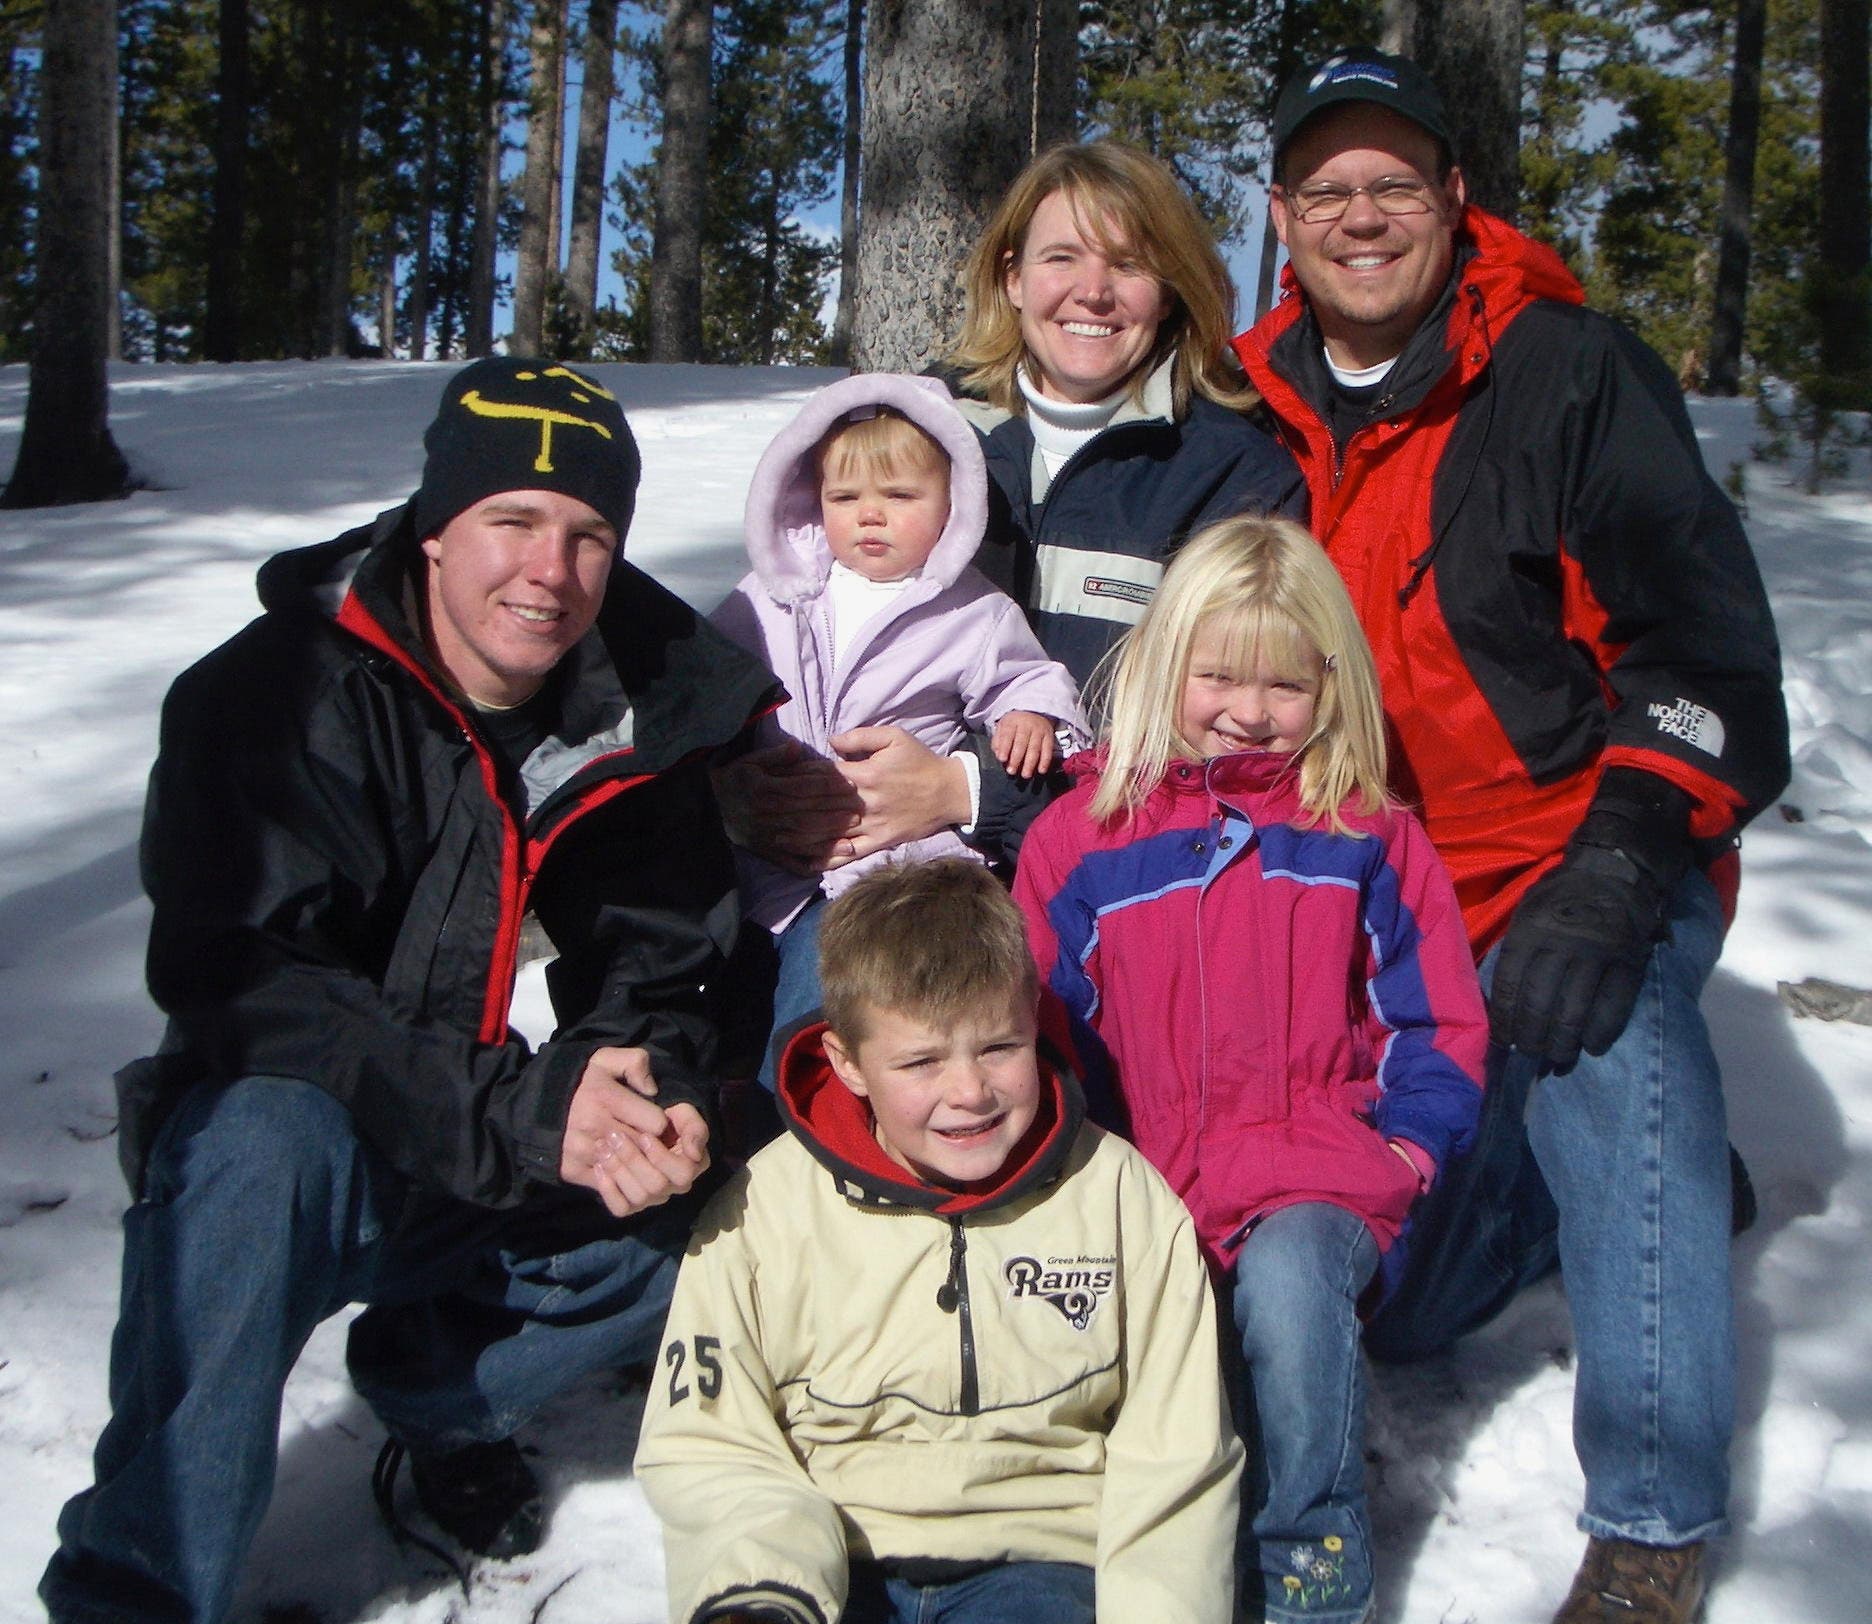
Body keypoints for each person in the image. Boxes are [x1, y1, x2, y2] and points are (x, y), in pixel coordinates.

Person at [41, 357, 781, 1624]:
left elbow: (658, 963)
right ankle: (136, 1589)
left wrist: (636, 1085)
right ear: (436, 528)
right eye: (512, 520)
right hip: (293, 1156)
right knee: (261, 1139)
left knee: (730, 1178)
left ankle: (435, 1388)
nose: (549, 571)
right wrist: (523, 1113)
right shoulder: (273, 696)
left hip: (473, 1141)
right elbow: (246, 987)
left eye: (588, 533)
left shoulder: (632, 712)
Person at [1230, 49, 1791, 1624]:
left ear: (1454, 198)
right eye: (1327, 189)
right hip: (1369, 897)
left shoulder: (1567, 372)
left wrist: (1617, 874)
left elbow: (1714, 665)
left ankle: (1652, 1525)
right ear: (1283, 216)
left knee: (1606, 1041)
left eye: (1394, 184)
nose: (1361, 216)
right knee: (1397, 1313)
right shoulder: (1248, 401)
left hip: (1569, 851)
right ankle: (1607, 1196)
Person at [1013, 516, 1487, 1624]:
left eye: (1282, 683)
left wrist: (1405, 1152)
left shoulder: (1365, 833)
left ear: (1331, 681)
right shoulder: (1082, 839)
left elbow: (1436, 1023)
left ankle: (1313, 1559)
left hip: (1318, 1172)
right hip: (1152, 1186)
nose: (1246, 707)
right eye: (1215, 673)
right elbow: (1041, 1027)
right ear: (1165, 660)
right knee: (1154, 1368)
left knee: (1285, 1289)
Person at [635, 859, 1242, 1624]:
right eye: (920, 1061)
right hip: (828, 1558)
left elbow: (1177, 1455)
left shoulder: (1121, 1198)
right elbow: (709, 1437)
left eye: (999, 1048)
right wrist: (761, 1587)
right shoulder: (764, 1208)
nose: (969, 1092)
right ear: (848, 1064)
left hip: (1041, 1565)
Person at [717, 140, 1304, 881]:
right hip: (864, 872)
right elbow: (795, 605)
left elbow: (1232, 734)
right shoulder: (918, 428)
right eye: (1061, 258)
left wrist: (965, 789)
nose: (1093, 292)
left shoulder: (1230, 472)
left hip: (1117, 878)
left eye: (1127, 264)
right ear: (1014, 277)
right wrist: (736, 777)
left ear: (1170, 289)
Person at [710, 373, 1086, 1087]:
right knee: (730, 1012)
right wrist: (720, 776)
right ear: (809, 500)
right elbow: (707, 689)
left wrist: (1033, 716)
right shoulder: (773, 594)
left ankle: (795, 1129)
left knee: (813, 1017)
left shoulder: (969, 612)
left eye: (901, 498)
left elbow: (1030, 680)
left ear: (952, 507)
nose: (870, 517)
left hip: (891, 879)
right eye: (845, 498)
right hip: (766, 871)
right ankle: (744, 1143)